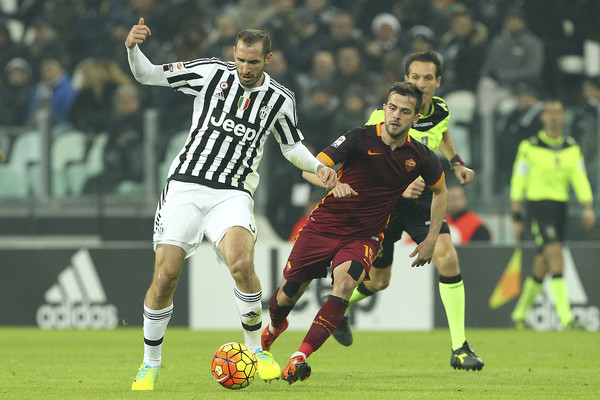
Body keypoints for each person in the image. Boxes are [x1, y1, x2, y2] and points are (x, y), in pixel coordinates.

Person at [124, 18, 337, 390]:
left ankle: (256, 349)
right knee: (164, 278)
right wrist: (132, 48)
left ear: (267, 59)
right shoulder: (209, 73)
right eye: (240, 59)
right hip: (185, 188)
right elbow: (148, 75)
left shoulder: (279, 99)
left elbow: (290, 146)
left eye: (253, 62)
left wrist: (318, 166)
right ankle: (150, 364)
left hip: (232, 192)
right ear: (233, 54)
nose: (245, 68)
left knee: (241, 263)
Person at [261, 81, 448, 384]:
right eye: (392, 108)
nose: (396, 116)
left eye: (405, 111)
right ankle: (273, 328)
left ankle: (300, 357)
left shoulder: (422, 156)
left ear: (415, 119)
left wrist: (430, 240)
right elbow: (310, 168)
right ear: (384, 108)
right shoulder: (359, 138)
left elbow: (441, 193)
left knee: (345, 285)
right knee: (285, 297)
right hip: (324, 226)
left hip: (365, 236)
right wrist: (331, 181)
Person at [333, 51, 484, 371]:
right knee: (378, 282)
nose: (421, 83)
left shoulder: (440, 109)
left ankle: (459, 348)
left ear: (437, 82)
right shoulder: (382, 116)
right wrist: (397, 184)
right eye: (414, 77)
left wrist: (456, 162)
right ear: (405, 79)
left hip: (419, 204)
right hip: (383, 204)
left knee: (448, 256)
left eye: (428, 78)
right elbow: (365, 161)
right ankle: (339, 307)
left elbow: (440, 132)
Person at [510, 99, 595, 330]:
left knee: (543, 261)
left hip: (560, 208)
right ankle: (567, 318)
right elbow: (519, 179)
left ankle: (519, 314)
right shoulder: (530, 146)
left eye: (558, 112)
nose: (554, 117)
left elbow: (579, 177)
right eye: (550, 113)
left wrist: (588, 205)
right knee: (555, 254)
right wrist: (516, 214)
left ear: (564, 117)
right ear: (543, 117)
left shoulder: (571, 147)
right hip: (537, 208)